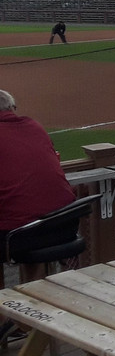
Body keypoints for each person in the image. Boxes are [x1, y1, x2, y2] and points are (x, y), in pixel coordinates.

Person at [0, 89, 77, 306]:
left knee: (23, 224)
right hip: (64, 224)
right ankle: (33, 310)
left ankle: (8, 316)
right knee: (29, 221)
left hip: (23, 233)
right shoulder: (34, 126)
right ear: (12, 109)